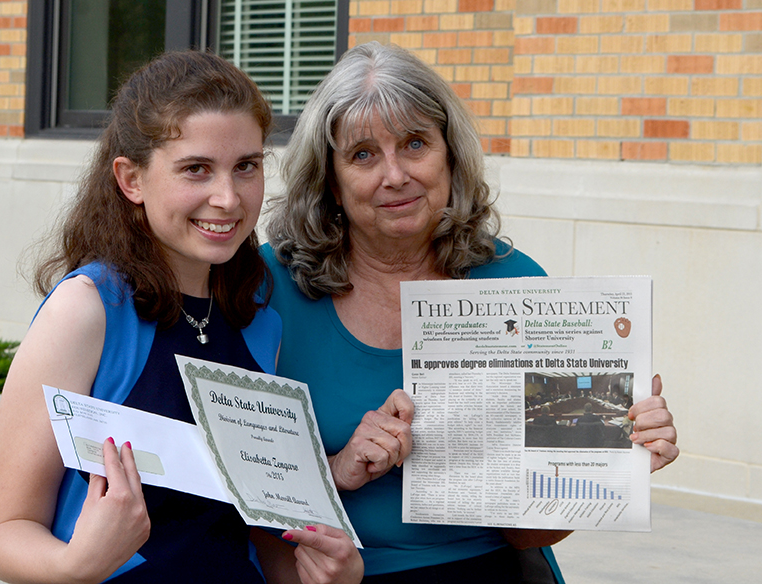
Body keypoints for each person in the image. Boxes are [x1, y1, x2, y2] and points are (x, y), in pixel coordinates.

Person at [263, 42, 679, 583]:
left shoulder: (517, 283)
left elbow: (532, 532)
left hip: (490, 566)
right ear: (331, 180)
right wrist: (335, 472)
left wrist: (608, 463)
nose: (395, 175)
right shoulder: (268, 285)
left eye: (415, 143)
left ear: (450, 156)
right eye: (363, 154)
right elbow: (237, 475)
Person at [0, 51, 362, 584]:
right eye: (196, 169)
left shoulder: (258, 318)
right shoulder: (87, 311)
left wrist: (321, 573)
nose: (227, 198)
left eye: (246, 167)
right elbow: (5, 531)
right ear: (131, 179)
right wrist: (73, 566)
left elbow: (248, 524)